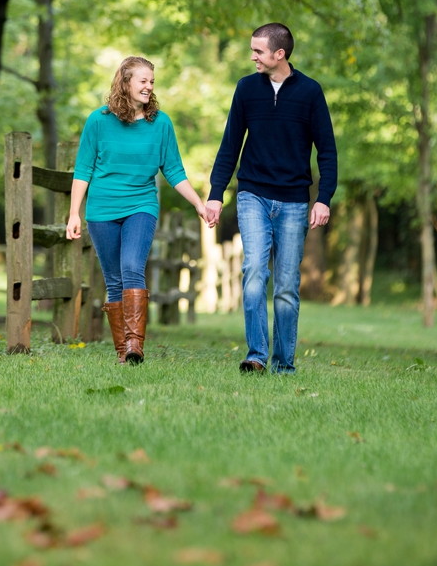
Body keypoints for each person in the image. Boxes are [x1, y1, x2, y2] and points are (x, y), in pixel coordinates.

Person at [205, 24, 338, 375]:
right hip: (253, 194)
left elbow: (327, 151)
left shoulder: (310, 92)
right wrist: (216, 195)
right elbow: (230, 145)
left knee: (286, 286)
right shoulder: (246, 89)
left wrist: (323, 198)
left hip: (294, 201)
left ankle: (284, 363)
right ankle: (256, 356)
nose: (252, 57)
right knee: (253, 271)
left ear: (280, 54)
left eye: (258, 51)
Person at [66, 55, 206, 366]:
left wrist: (198, 203)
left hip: (141, 205)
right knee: (114, 279)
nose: (149, 86)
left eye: (152, 81)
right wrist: (74, 213)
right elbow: (83, 169)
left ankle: (134, 346)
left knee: (132, 266)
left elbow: (174, 170)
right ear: (125, 82)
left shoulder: (161, 123)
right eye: (143, 81)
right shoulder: (98, 121)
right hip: (102, 208)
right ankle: (123, 352)